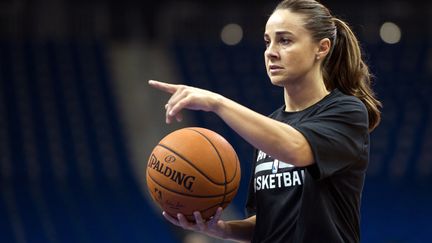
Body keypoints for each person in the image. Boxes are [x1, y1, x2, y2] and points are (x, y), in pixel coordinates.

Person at [148, 0, 382, 242]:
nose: (271, 51)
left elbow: (297, 149)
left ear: (321, 48)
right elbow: (266, 220)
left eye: (285, 40)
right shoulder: (272, 126)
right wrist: (223, 230)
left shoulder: (346, 111)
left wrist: (216, 102)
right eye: (267, 41)